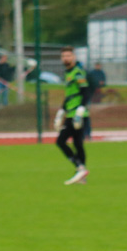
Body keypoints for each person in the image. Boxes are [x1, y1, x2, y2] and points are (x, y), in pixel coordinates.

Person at [55, 47, 91, 185]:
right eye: (64, 56)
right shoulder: (68, 73)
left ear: (74, 57)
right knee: (77, 143)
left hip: (77, 114)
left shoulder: (77, 72)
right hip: (71, 113)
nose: (66, 58)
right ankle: (82, 174)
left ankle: (80, 168)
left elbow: (86, 92)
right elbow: (70, 96)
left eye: (68, 55)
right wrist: (61, 112)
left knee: (60, 141)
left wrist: (80, 109)